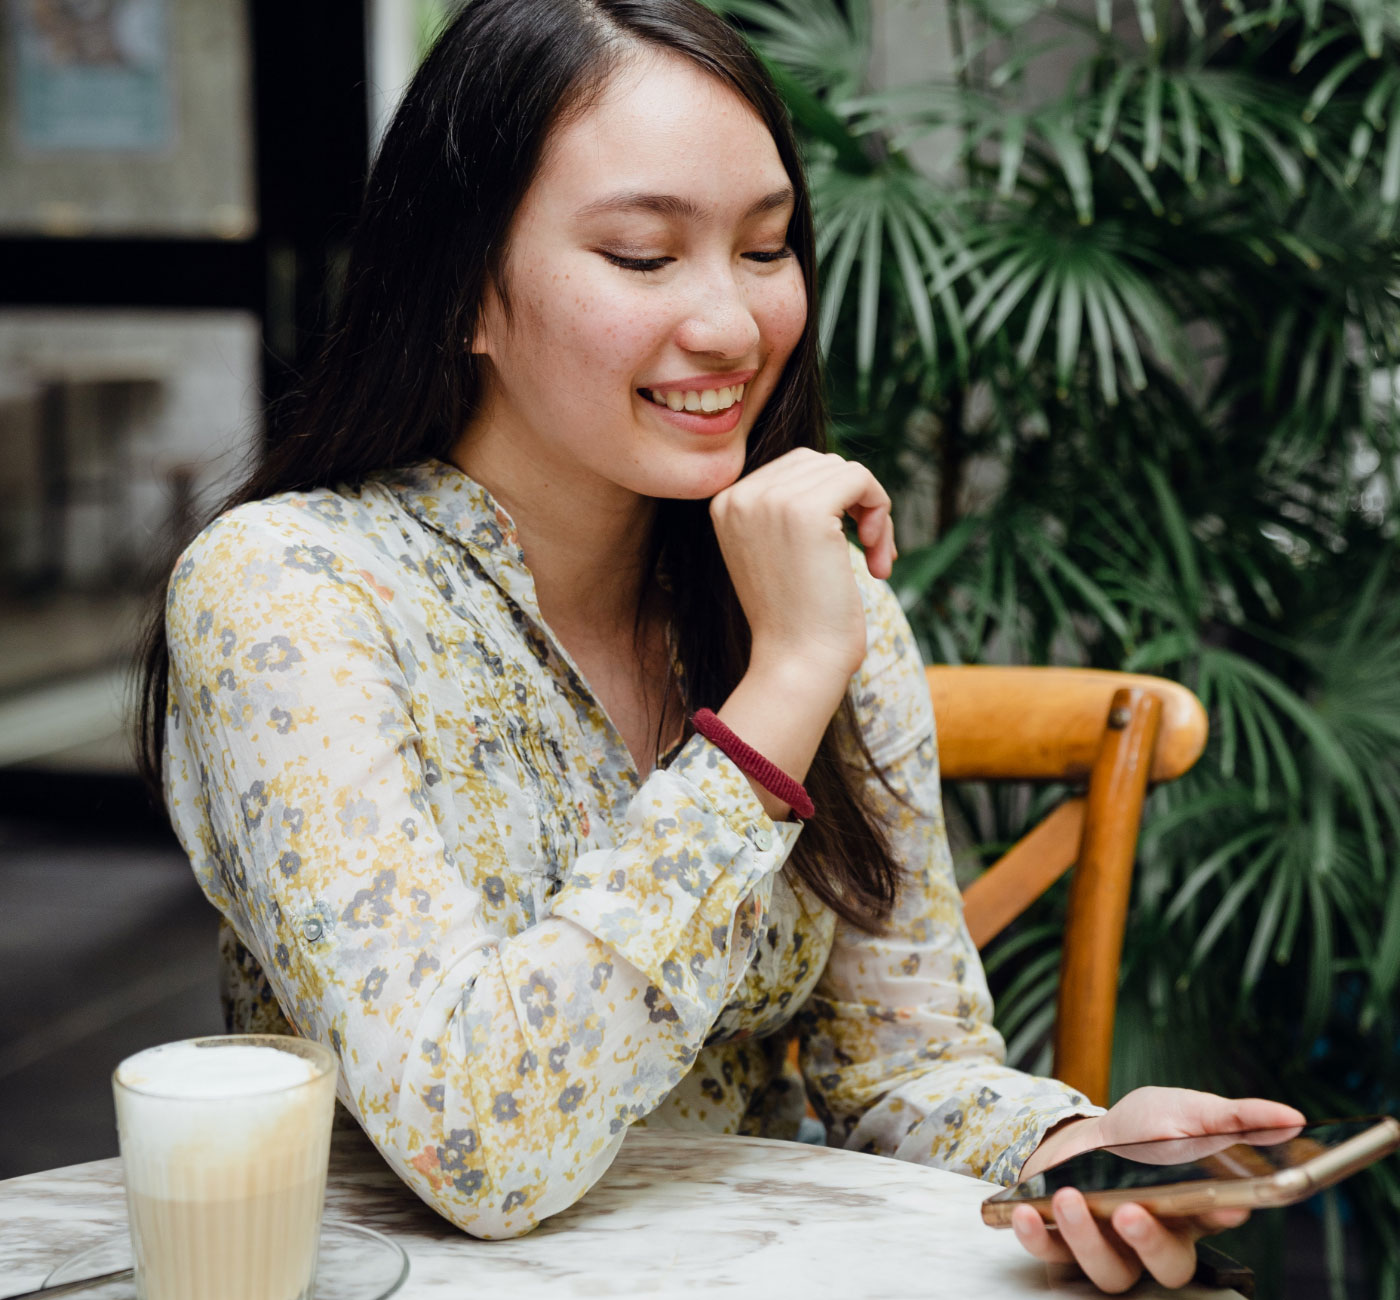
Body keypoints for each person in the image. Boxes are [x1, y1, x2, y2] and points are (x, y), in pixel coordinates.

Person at [139, 0, 1303, 1290]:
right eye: (643, 255)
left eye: (766, 247)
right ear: (462, 288)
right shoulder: (294, 593)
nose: (736, 327)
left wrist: (1069, 1150)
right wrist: (780, 695)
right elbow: (479, 1145)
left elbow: (902, 1071)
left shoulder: (805, 593)